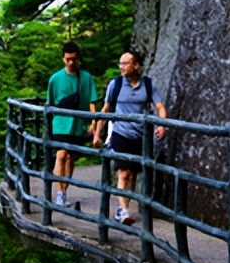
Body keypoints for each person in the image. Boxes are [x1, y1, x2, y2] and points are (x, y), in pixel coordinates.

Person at [92, 50, 167, 225]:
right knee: (124, 173)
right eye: (120, 63)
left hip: (140, 136)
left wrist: (162, 124)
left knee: (132, 175)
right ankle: (124, 211)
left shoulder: (148, 85)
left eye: (125, 63)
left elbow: (160, 107)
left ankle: (123, 206)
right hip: (120, 133)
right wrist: (97, 134)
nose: (122, 67)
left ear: (136, 65)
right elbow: (106, 109)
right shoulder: (115, 85)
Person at [46, 41, 99, 207]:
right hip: (60, 122)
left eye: (74, 59)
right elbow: (51, 102)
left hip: (77, 123)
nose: (71, 62)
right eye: (68, 59)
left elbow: (92, 101)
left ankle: (64, 190)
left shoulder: (86, 77)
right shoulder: (55, 79)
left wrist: (93, 123)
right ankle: (59, 194)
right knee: (61, 154)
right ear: (63, 59)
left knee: (71, 158)